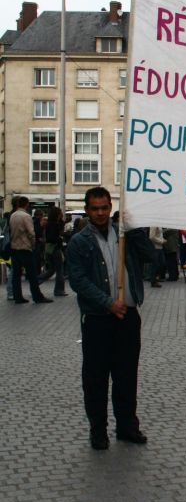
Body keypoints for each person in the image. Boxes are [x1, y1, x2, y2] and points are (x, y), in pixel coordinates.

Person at [66, 186, 156, 450]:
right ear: (87, 210)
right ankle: (98, 430)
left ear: (110, 207)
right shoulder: (79, 242)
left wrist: (134, 226)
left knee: (126, 375)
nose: (101, 213)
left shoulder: (124, 235)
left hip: (127, 316)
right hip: (98, 318)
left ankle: (127, 426)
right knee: (95, 377)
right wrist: (108, 303)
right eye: (95, 208)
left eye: (105, 207)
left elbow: (152, 257)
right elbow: (78, 281)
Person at [9, 197, 53, 304]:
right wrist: (32, 245)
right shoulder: (26, 216)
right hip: (25, 247)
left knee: (16, 273)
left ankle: (17, 296)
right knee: (32, 273)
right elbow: (31, 233)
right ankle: (37, 296)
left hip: (14, 247)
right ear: (27, 204)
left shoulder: (13, 215)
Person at [38, 206, 68, 296]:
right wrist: (60, 239)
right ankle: (59, 290)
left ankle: (36, 280)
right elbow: (52, 238)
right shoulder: (54, 225)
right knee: (59, 270)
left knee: (51, 269)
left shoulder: (48, 224)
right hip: (55, 248)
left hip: (49, 249)